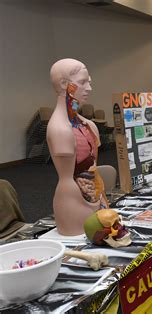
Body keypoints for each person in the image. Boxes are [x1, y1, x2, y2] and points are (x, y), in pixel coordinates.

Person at [47, 58, 107, 236]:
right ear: (64, 84)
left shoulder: (89, 125)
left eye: (89, 81)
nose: (89, 88)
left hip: (96, 194)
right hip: (72, 202)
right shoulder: (60, 129)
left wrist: (100, 196)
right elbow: (68, 175)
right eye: (82, 82)